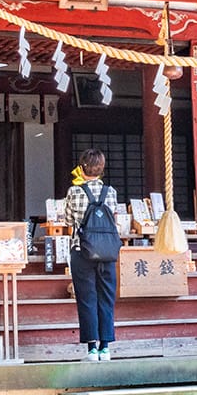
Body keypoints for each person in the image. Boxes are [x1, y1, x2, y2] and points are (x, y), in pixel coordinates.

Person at [64, 149, 120, 362]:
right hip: (107, 251)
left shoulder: (74, 191)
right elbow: (115, 218)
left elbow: (68, 220)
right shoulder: (111, 192)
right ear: (101, 168)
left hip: (82, 250)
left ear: (82, 167)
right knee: (106, 297)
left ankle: (91, 349)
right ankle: (106, 347)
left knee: (87, 298)